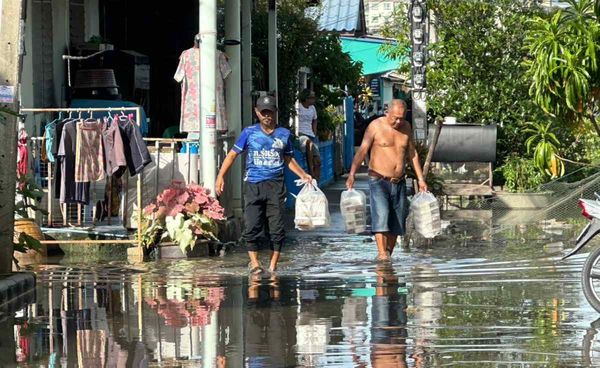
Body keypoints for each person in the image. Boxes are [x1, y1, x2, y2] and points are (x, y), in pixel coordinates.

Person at [216, 95, 312, 274]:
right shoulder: (249, 133)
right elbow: (232, 155)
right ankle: (255, 264)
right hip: (253, 185)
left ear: (275, 113)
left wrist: (304, 174)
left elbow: (288, 159)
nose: (267, 116)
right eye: (263, 112)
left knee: (277, 229)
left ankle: (273, 266)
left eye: (270, 112)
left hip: (276, 186)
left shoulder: (284, 134)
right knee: (251, 226)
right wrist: (220, 176)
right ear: (257, 112)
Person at [346, 99, 428, 261]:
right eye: (395, 118)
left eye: (401, 118)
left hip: (399, 182)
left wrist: (421, 179)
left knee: (397, 222)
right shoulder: (375, 126)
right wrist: (352, 174)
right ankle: (382, 254)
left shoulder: (406, 128)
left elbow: (412, 154)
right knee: (381, 216)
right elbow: (362, 150)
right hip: (378, 180)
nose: (398, 121)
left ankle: (387, 255)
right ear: (387, 112)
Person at [294, 89, 321, 182]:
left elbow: (315, 120)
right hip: (301, 134)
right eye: (312, 97)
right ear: (306, 98)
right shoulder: (298, 107)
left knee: (318, 161)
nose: (314, 100)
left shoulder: (312, 108)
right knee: (308, 143)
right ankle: (310, 172)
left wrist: (314, 131)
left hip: (311, 134)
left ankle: (316, 181)